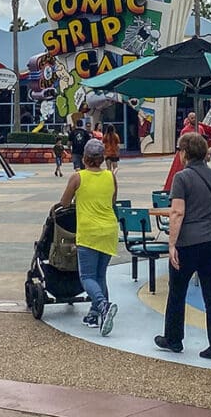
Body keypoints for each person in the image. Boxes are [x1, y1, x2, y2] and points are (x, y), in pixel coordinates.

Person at [155, 131, 211, 362]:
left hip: (189, 241)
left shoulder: (182, 177)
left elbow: (177, 212)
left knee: (178, 290)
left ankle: (174, 338)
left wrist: (172, 244)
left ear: (185, 152)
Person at [60, 138, 119, 336]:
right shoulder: (111, 176)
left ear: (84, 157)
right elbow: (112, 200)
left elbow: (65, 203)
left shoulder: (78, 177)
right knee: (100, 275)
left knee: (86, 276)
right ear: (102, 158)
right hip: (109, 229)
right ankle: (95, 315)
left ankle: (102, 305)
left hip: (89, 231)